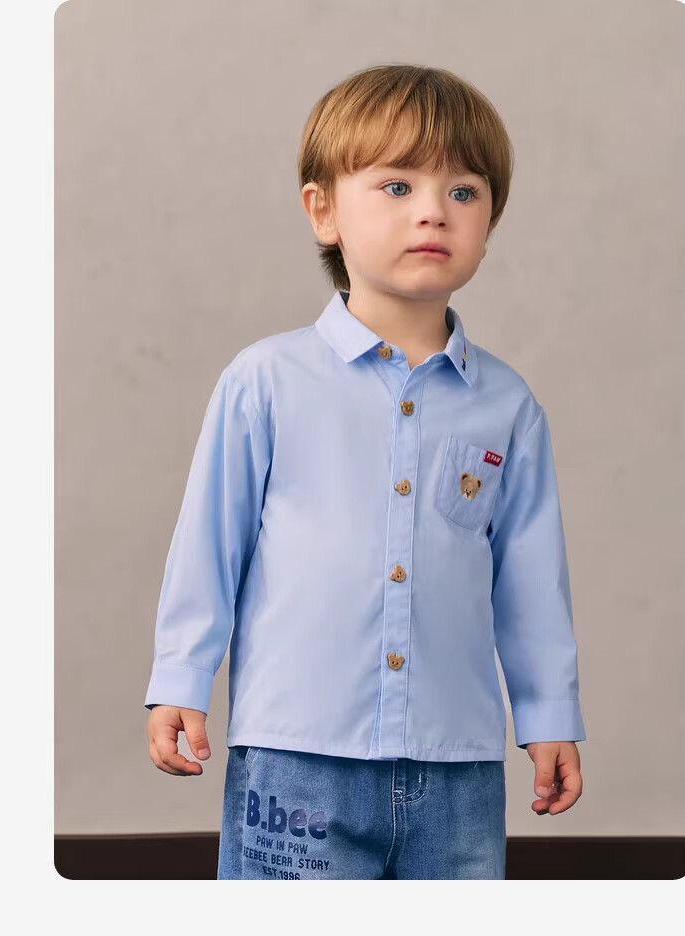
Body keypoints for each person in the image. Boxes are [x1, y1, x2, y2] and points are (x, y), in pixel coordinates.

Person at [144, 63, 586, 880]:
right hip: (296, 754)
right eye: (397, 186)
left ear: (490, 221)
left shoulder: (507, 406)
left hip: (457, 766)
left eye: (464, 191)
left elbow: (531, 579)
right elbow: (209, 544)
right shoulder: (265, 382)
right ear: (324, 212)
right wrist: (181, 677)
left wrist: (548, 714)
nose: (433, 210)